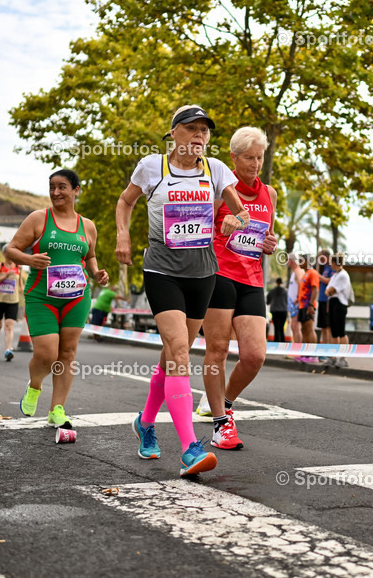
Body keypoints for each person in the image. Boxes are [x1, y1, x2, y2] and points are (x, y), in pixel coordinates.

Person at [116, 105, 249, 477]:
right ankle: (190, 448)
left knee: (173, 356)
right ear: (173, 133)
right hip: (162, 270)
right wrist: (123, 235)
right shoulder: (151, 167)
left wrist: (234, 222)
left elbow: (243, 214)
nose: (199, 136)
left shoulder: (216, 170)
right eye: (192, 128)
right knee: (178, 352)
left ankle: (145, 422)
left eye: (205, 131)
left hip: (202, 273)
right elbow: (125, 201)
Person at [7, 169, 109, 428]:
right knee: (47, 354)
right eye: (52, 187)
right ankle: (35, 385)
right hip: (42, 296)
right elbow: (11, 250)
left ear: (76, 190)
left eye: (62, 187)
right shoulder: (38, 219)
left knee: (68, 352)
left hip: (77, 297)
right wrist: (30, 259)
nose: (55, 192)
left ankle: (57, 409)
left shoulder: (87, 226)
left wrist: (96, 273)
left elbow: (89, 256)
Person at [202, 126, 280, 450]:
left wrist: (270, 244)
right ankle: (221, 424)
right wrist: (220, 227)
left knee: (254, 355)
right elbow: (197, 233)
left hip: (252, 279)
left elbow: (266, 236)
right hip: (219, 274)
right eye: (249, 157)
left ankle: (224, 401)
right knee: (218, 350)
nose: (256, 164)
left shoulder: (270, 194)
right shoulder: (219, 189)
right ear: (233, 158)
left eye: (260, 157)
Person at [0, 250, 22, 361]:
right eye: (8, 253)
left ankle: (8, 350)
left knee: (9, 325)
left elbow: (20, 283)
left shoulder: (18, 267)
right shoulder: (0, 265)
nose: (10, 256)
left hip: (13, 301)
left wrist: (23, 290)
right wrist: (4, 277)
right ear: (4, 254)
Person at [325, 252, 352, 347]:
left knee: (341, 332)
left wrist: (329, 291)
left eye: (331, 262)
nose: (330, 264)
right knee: (334, 332)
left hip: (339, 304)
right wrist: (329, 291)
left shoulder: (343, 275)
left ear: (334, 262)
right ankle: (334, 353)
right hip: (333, 303)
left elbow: (331, 290)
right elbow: (327, 291)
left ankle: (344, 354)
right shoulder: (335, 275)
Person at [316, 249, 334, 344]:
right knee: (323, 326)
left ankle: (329, 347)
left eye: (321, 257)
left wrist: (318, 276)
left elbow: (330, 281)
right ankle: (324, 347)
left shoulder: (332, 267)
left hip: (327, 300)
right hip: (321, 299)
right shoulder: (325, 267)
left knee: (328, 326)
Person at [286, 255, 304, 344]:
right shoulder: (294, 272)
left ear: (292, 261)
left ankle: (297, 348)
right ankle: (296, 347)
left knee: (295, 326)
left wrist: (297, 298)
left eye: (288, 260)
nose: (287, 262)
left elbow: (301, 285)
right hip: (293, 303)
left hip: (296, 304)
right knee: (294, 326)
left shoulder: (298, 272)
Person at [266, 278, 288, 342]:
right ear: (282, 283)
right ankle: (282, 341)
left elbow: (268, 302)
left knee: (276, 327)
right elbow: (287, 301)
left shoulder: (272, 291)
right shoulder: (285, 291)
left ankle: (276, 341)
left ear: (276, 282)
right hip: (283, 311)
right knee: (281, 327)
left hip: (274, 311)